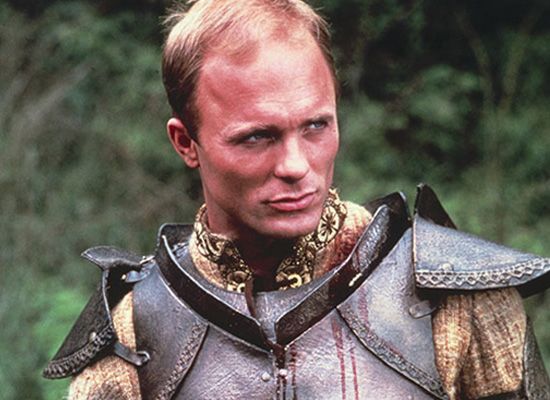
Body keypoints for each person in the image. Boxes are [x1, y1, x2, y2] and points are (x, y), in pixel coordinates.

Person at [44, 0, 550, 399]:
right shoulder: (131, 327)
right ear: (186, 143)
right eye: (256, 137)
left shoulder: (452, 292)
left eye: (315, 126)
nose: (295, 164)